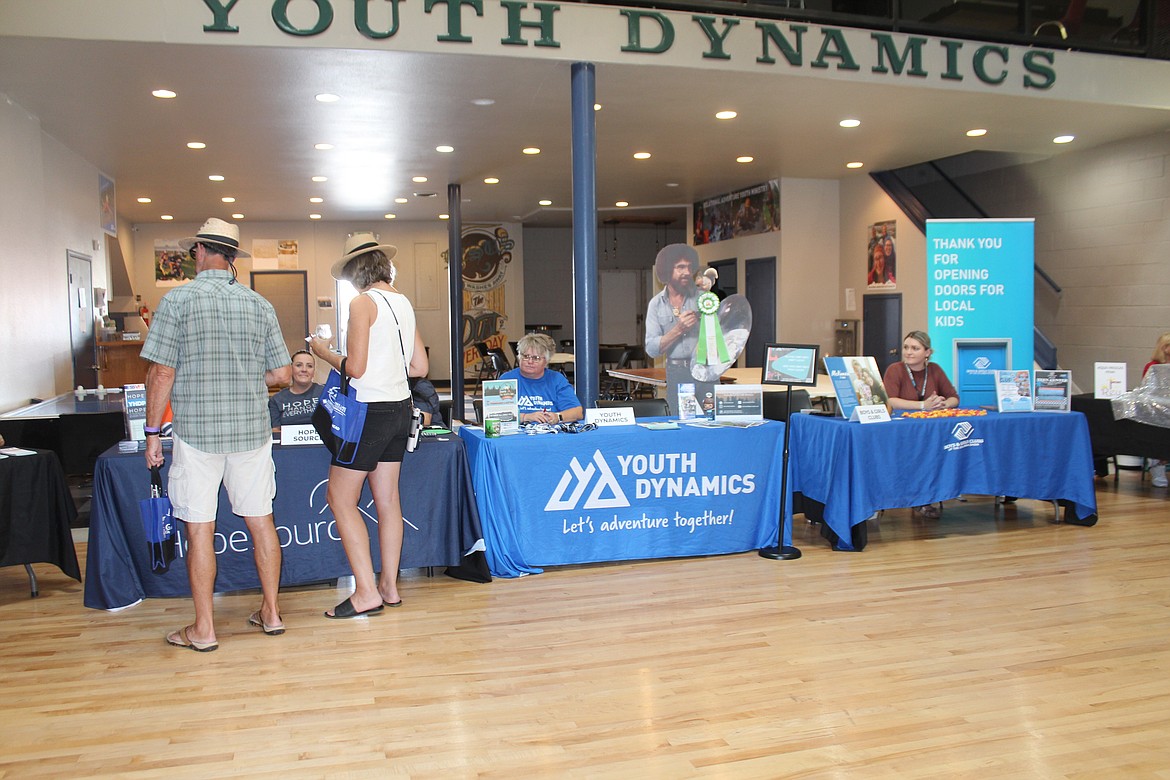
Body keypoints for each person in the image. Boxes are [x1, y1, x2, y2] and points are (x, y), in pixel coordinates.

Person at [141, 218, 292, 651]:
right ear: (232, 259)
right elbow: (282, 373)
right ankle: (272, 612)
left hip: (197, 433)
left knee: (200, 529)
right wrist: (244, 379)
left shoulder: (178, 301)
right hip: (251, 431)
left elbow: (161, 372)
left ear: (202, 251)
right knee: (262, 522)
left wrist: (153, 433)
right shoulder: (259, 304)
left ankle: (204, 629)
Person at [308, 232, 428, 618]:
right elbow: (420, 368)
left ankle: (364, 592)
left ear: (356, 271)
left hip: (367, 413)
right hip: (399, 409)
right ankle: (389, 587)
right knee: (388, 499)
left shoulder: (361, 303)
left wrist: (322, 352)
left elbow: (355, 368)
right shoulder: (403, 302)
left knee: (340, 498)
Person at [882, 330, 960, 519]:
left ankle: (927, 497)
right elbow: (891, 400)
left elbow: (954, 398)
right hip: (901, 429)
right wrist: (923, 406)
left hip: (929, 430)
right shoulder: (895, 369)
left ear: (927, 353)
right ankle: (917, 498)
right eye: (906, 347)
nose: (908, 352)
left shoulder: (935, 370)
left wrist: (942, 404)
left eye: (915, 348)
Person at [645, 244, 714, 415]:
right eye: (680, 267)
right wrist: (678, 329)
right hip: (677, 372)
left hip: (706, 370)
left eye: (690, 267)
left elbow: (719, 336)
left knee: (712, 419)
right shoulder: (656, 304)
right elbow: (652, 349)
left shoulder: (705, 299)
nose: (686, 272)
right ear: (667, 270)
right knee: (680, 421)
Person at [499, 332, 583, 424]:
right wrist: (526, 417)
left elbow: (577, 413)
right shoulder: (506, 380)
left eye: (536, 358)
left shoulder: (557, 379)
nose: (530, 361)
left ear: (546, 361)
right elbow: (496, 413)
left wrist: (557, 417)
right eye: (526, 356)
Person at [268, 349, 323, 429]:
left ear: (314, 371)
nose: (304, 370)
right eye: (299, 365)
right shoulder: (276, 400)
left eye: (309, 366)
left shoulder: (325, 393)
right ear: (291, 369)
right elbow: (275, 431)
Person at [1142, 332, 1170, 487]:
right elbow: (1146, 390)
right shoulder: (1152, 366)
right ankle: (1157, 463)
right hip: (1158, 408)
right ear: (1164, 348)